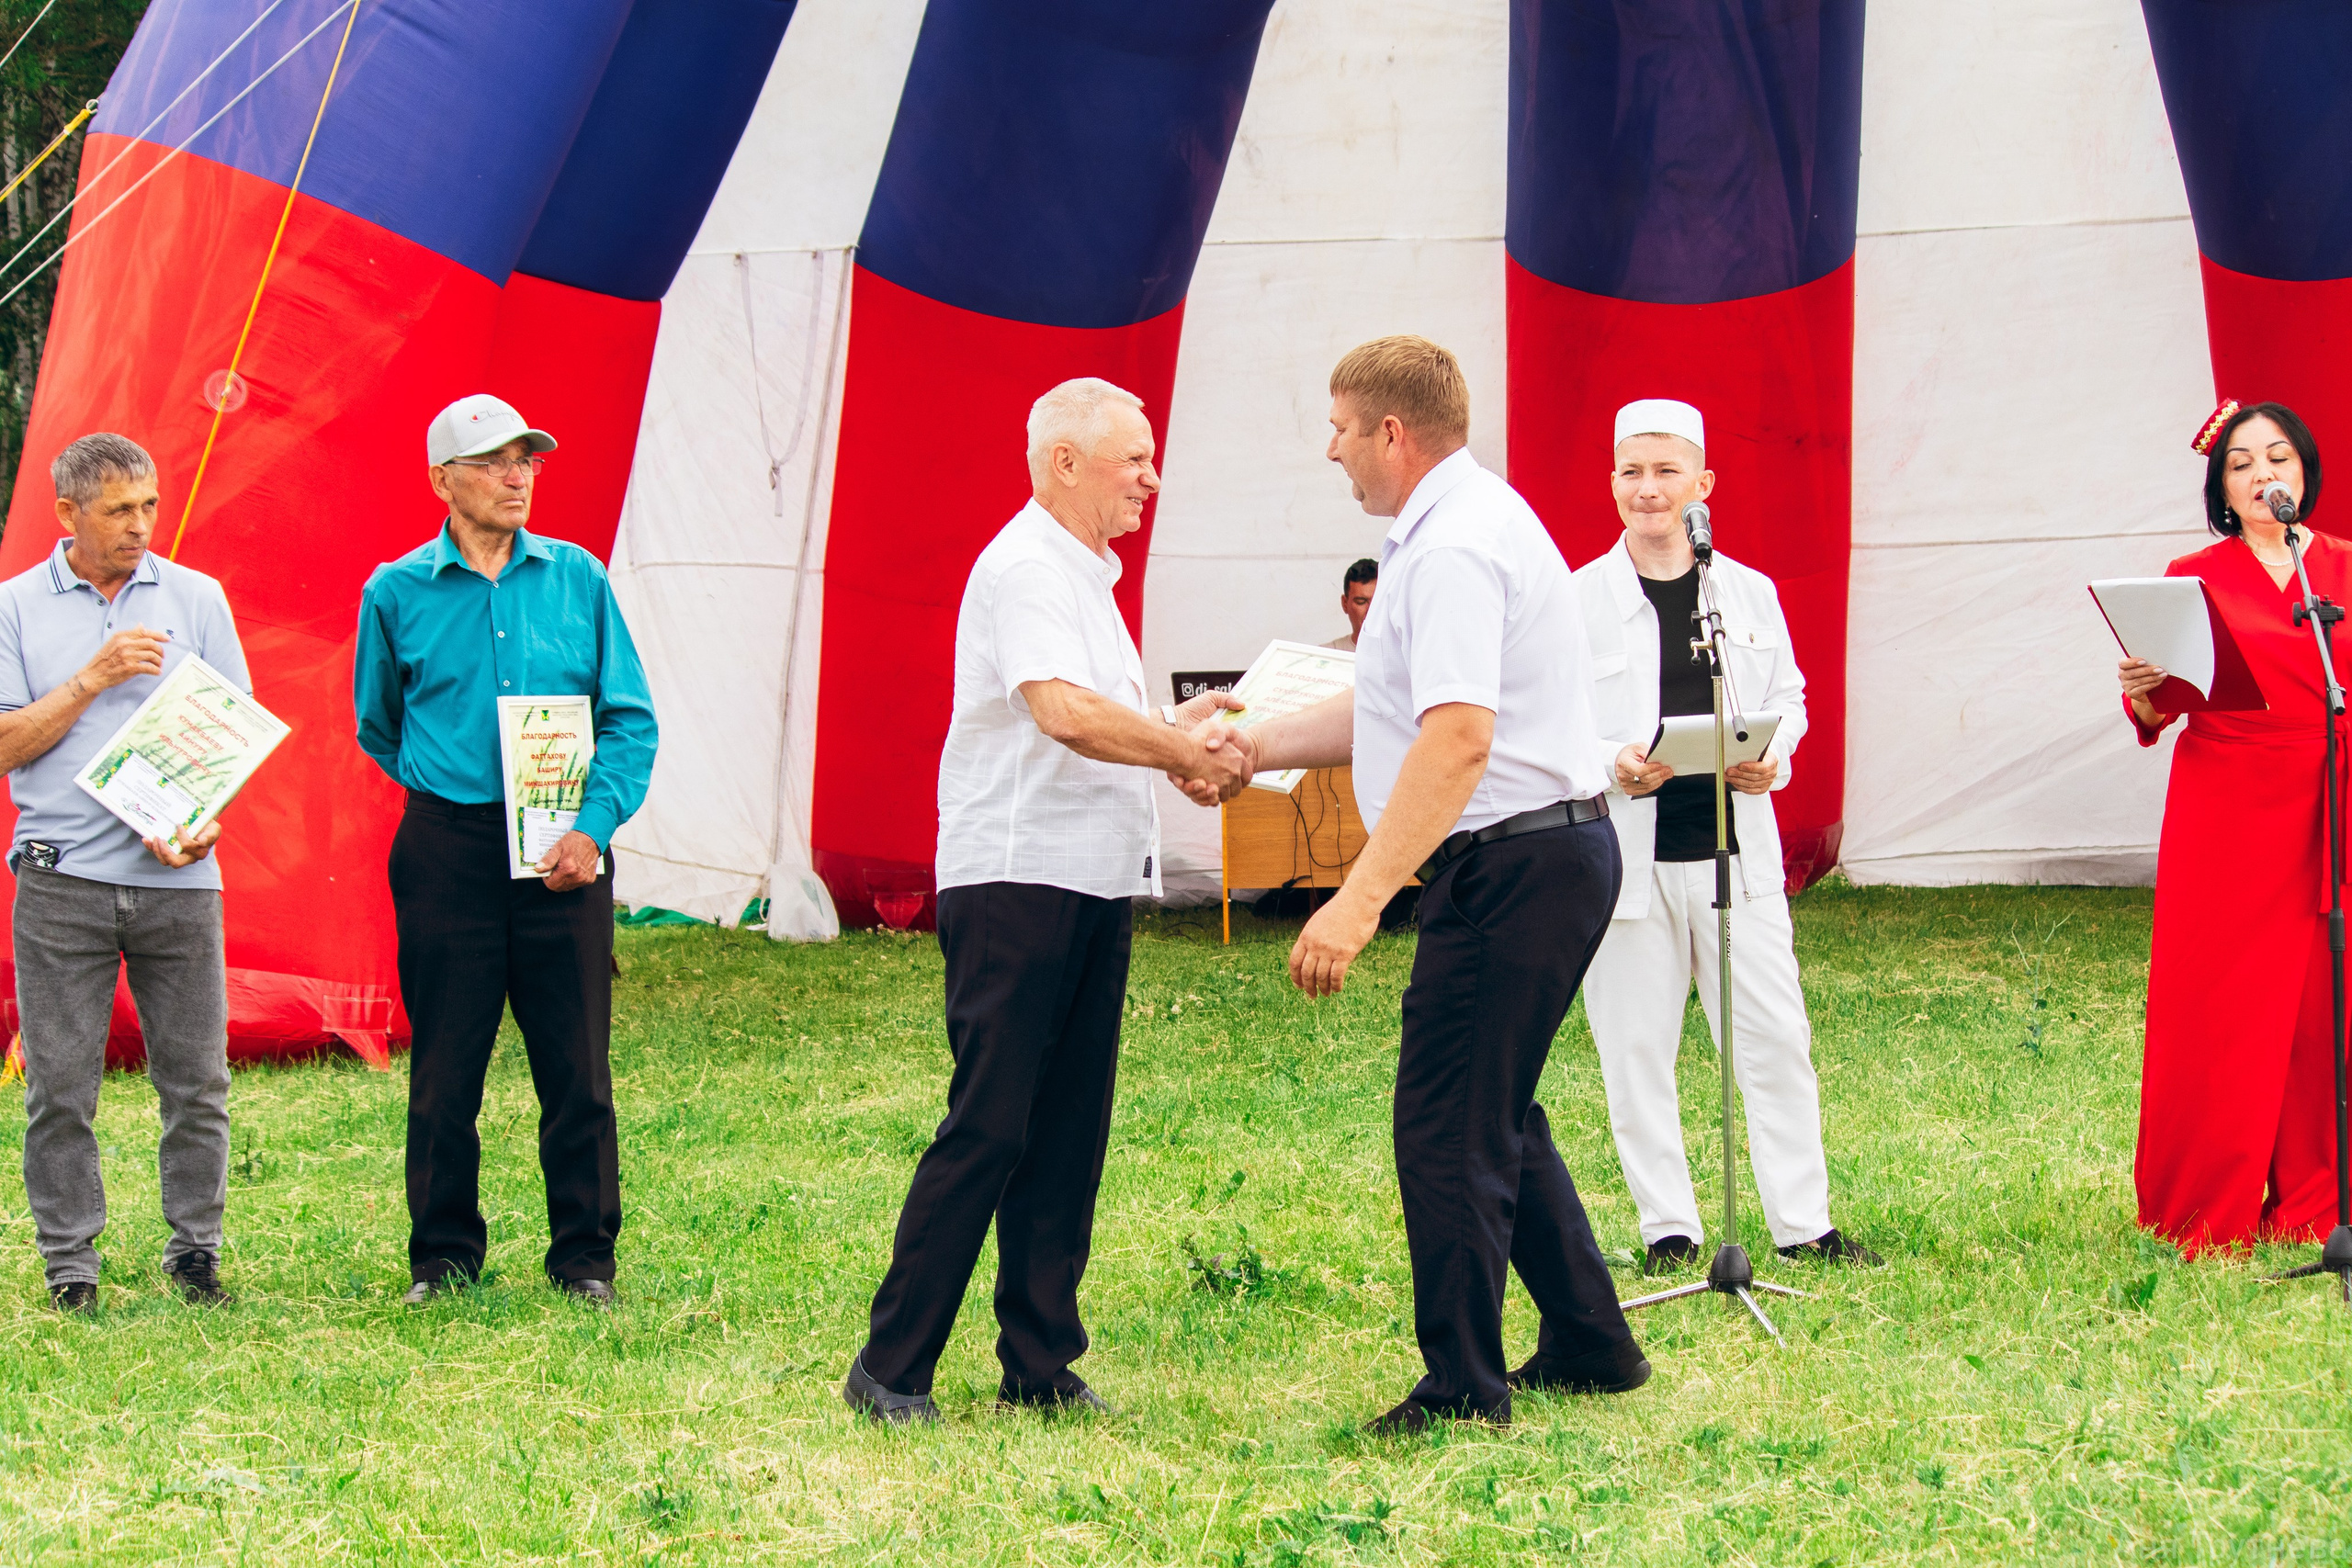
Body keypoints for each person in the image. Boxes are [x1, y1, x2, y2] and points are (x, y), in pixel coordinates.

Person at [1192, 337, 1645, 1432]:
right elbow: (1386, 710)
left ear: (1392, 433)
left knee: (1445, 1121)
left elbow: (1454, 743)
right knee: (1491, 1108)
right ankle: (1589, 1340)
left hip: (1517, 860)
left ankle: (1460, 1390)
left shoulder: (1447, 551)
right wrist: (1249, 745)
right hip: (1541, 854)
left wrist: (1353, 901)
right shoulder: (1456, 526)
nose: (1330, 449)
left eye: (1340, 428)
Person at [842, 378, 1250, 1425]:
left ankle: (1039, 1362)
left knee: (1066, 1130)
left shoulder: (1083, 576)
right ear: (1065, 462)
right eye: (1134, 460)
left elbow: (1099, 717)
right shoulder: (1026, 565)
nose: (1151, 478)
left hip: (1086, 880)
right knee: (991, 1125)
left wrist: (1173, 738)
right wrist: (1179, 748)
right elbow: (1063, 714)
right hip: (1019, 881)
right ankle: (892, 1368)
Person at [354, 394, 657, 1308]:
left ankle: (584, 1261)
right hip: (448, 845)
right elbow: (378, 724)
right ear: (444, 481)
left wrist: (589, 830)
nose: (517, 476)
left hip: (564, 847)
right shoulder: (395, 591)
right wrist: (449, 788)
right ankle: (442, 1259)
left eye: (528, 459)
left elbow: (629, 722)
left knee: (578, 1068)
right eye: (493, 462)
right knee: (447, 1067)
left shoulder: (580, 580)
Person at [1573, 400, 1876, 1276]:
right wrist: (1611, 759)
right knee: (1635, 1047)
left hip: (1732, 851)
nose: (1647, 488)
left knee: (1773, 1035)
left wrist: (1769, 759)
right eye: (1631, 470)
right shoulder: (1577, 596)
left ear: (1702, 484)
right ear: (1613, 483)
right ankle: (1668, 1225)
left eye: (1666, 471)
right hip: (1626, 857)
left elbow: (1792, 699)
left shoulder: (1745, 591)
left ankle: (1802, 1223)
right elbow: (1548, 724)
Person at [0, 434, 244, 1312]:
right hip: (59, 880)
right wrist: (92, 678)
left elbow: (232, 740)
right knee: (61, 1086)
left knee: (198, 1081)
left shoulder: (197, 597)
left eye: (149, 504)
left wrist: (204, 825)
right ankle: (71, 1265)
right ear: (67, 512)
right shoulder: (16, 607)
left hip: (180, 884)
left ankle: (196, 1254)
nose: (142, 525)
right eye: (118, 511)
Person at [2123, 399, 2342, 1250]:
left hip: (2331, 798)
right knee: (2221, 999)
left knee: (2324, 1004)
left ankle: (2316, 1201)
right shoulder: (2192, 571)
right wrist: (2142, 685)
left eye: (2278, 458)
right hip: (2227, 803)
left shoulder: (2345, 567)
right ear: (2221, 485)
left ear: (2304, 471)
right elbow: (2161, 707)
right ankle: (2202, 1204)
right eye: (2242, 463)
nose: (2263, 475)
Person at [1326, 558, 1378, 651]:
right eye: (1361, 601)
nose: (1370, 611)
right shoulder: (1326, 654)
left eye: (1378, 602)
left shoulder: (1406, 655)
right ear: (1345, 604)